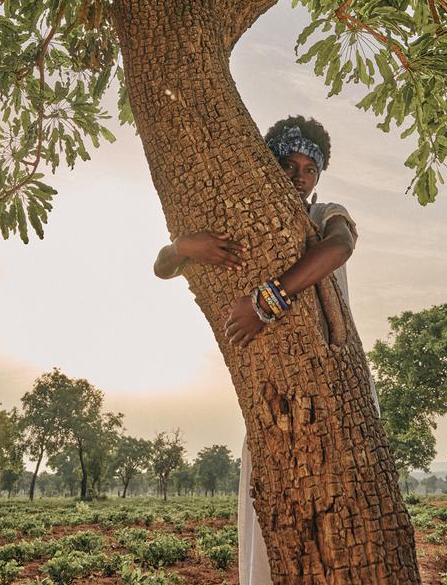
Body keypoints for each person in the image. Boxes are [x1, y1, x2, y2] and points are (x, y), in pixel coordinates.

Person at [153, 115, 377, 584]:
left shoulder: (324, 215)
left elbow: (340, 246)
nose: (299, 176)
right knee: (276, 511)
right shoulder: (247, 222)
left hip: (337, 386)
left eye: (309, 169)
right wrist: (184, 245)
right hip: (275, 399)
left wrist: (267, 300)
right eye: (288, 164)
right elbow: (161, 267)